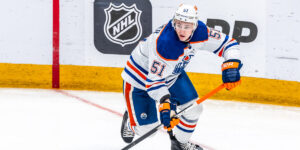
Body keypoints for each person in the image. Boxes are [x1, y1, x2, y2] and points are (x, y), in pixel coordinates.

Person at [120, 3, 242, 150]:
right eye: (179, 25)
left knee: (194, 110)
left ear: (194, 25)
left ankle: (179, 144)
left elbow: (229, 44)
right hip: (139, 81)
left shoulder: (201, 33)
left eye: (187, 26)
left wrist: (231, 63)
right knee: (148, 131)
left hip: (171, 76)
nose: (182, 31)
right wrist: (165, 103)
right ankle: (130, 120)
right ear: (174, 22)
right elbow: (154, 82)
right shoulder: (166, 44)